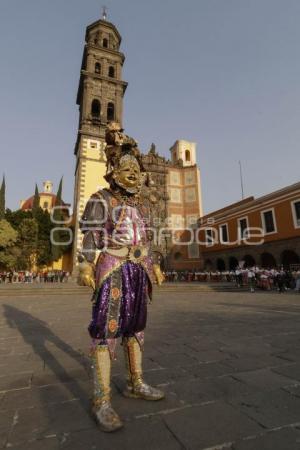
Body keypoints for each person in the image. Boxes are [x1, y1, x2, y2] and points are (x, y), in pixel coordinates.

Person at [78, 123, 165, 432]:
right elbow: (90, 235)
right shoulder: (101, 198)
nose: (132, 173)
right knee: (106, 329)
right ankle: (101, 399)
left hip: (139, 272)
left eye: (135, 169)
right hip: (113, 268)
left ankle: (135, 382)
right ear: (113, 171)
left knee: (136, 328)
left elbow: (146, 239)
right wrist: (86, 264)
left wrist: (153, 265)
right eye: (125, 167)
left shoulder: (141, 204)